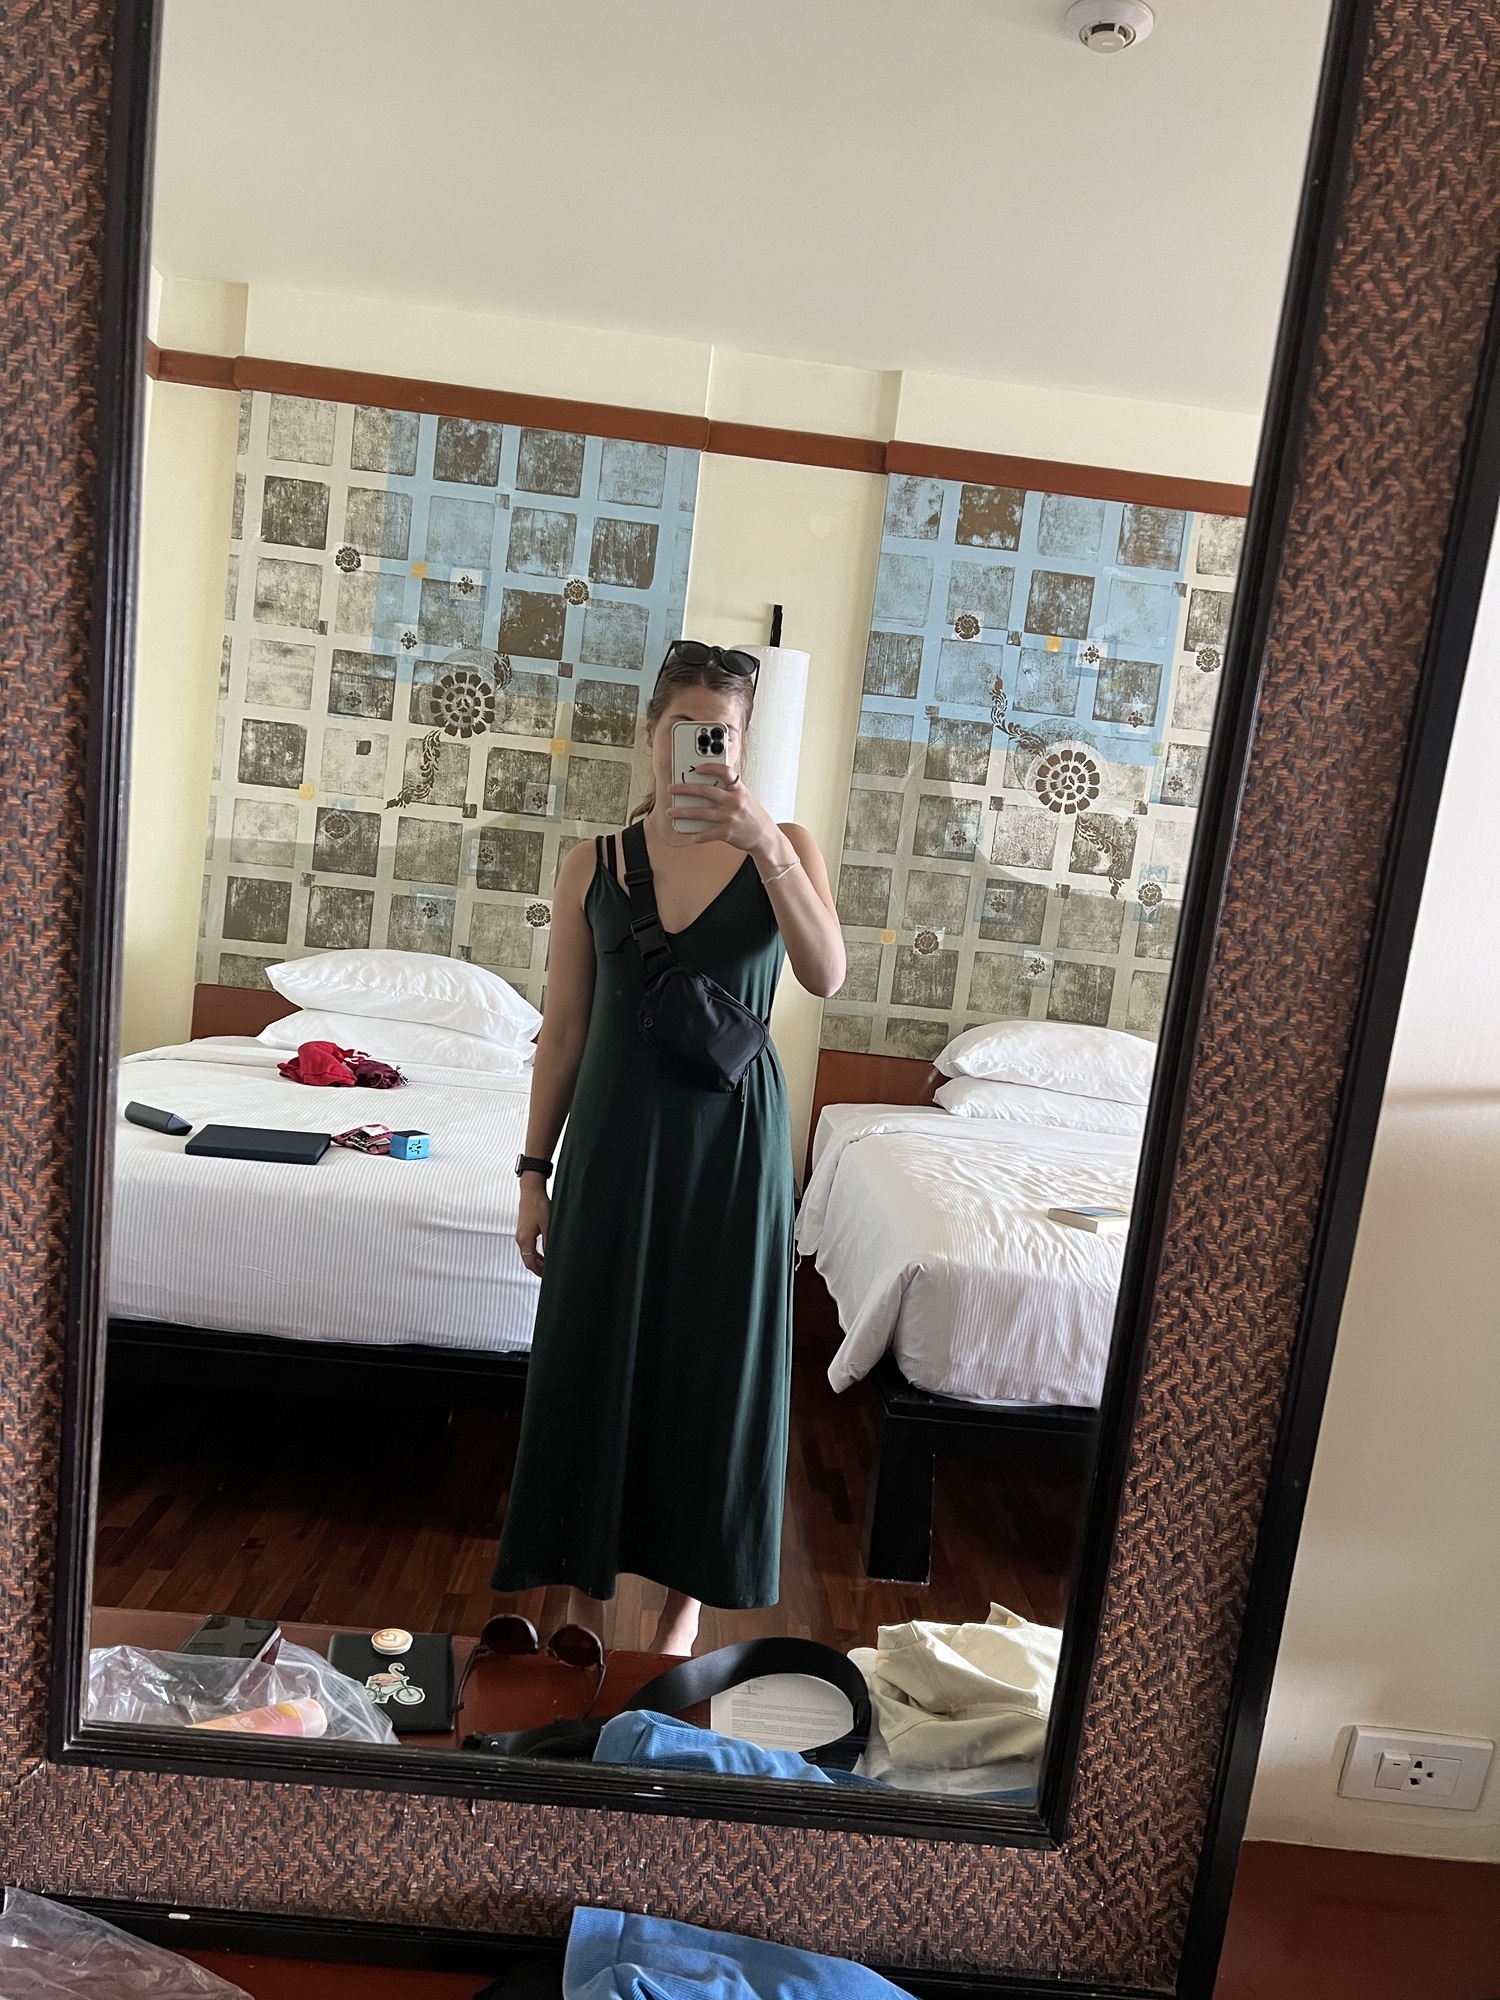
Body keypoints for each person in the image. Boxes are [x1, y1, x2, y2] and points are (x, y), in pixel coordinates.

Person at [490, 641, 845, 1655]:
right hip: (614, 1141)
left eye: (720, 733)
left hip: (733, 1151)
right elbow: (563, 1031)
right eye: (685, 727)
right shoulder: (594, 863)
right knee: (592, 1352)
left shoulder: (788, 847)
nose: (701, 746)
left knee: (714, 1366)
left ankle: (683, 1615)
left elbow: (825, 974)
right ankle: (581, 1599)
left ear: (743, 745)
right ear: (651, 733)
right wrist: (532, 1173)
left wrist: (767, 846)